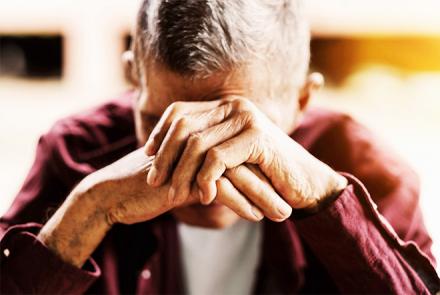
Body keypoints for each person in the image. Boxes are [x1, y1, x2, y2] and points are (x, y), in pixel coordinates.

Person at [1, 0, 439, 294]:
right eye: (161, 126)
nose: (202, 179)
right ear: (133, 79)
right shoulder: (77, 153)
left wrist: (327, 203)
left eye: (238, 136)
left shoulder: (367, 169)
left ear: (302, 100)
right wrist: (90, 209)